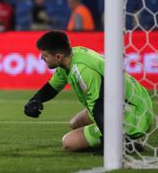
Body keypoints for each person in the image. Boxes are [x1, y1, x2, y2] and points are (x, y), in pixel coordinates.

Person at [24, 31, 154, 152]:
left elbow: (99, 107)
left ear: (58, 57)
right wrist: (34, 100)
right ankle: (124, 139)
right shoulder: (71, 57)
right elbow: (52, 87)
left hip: (133, 115)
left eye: (45, 55)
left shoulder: (83, 71)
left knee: (68, 143)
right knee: (75, 123)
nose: (42, 58)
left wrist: (109, 144)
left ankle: (124, 142)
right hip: (129, 103)